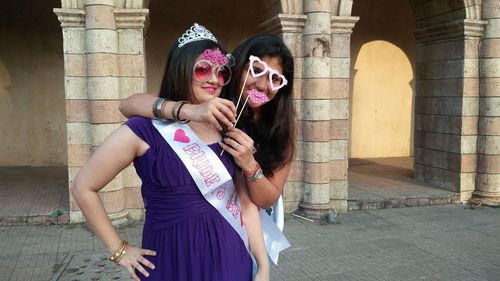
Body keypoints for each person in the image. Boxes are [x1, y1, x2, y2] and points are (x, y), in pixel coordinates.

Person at [71, 23, 269, 281]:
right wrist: (119, 250)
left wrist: (262, 265)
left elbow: (244, 204)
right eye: (202, 69)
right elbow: (82, 186)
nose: (213, 78)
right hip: (171, 260)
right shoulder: (145, 128)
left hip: (231, 259)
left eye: (221, 72)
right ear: (181, 69)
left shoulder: (228, 129)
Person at [120, 35, 296, 219]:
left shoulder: (282, 127)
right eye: (256, 70)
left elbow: (268, 200)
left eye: (275, 79)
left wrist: (250, 164)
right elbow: (128, 105)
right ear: (237, 70)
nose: (262, 85)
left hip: (253, 224)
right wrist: (190, 110)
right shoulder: (211, 97)